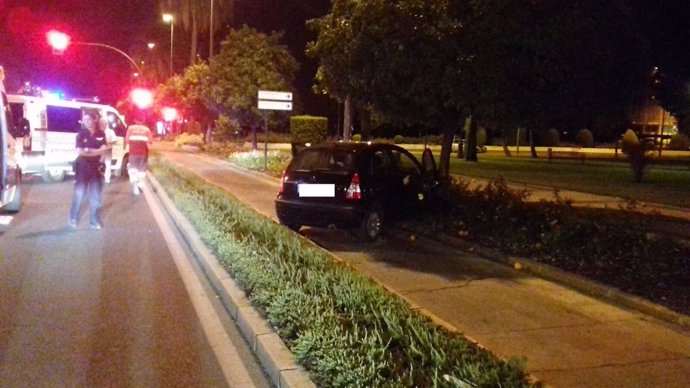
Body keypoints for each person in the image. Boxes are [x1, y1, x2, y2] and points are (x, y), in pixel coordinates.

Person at [69, 112, 109, 229]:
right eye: (84, 120)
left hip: (96, 168)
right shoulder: (81, 134)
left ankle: (94, 221)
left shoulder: (101, 134)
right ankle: (73, 218)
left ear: (94, 120)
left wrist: (90, 151)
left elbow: (104, 149)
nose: (86, 122)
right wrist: (96, 151)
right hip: (82, 168)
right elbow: (79, 151)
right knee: (79, 194)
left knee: (96, 196)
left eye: (88, 119)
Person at [125, 120, 153, 195]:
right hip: (143, 153)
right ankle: (140, 183)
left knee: (133, 168)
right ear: (143, 121)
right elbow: (150, 141)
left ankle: (134, 184)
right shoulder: (147, 129)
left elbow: (127, 140)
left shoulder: (130, 128)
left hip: (133, 152)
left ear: (135, 120)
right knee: (141, 169)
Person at [100, 117, 117, 183]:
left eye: (104, 123)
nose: (103, 124)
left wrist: (107, 142)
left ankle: (107, 178)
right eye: (101, 123)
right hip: (99, 151)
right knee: (97, 163)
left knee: (108, 164)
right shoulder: (98, 131)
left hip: (108, 150)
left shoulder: (110, 131)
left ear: (106, 124)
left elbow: (114, 140)